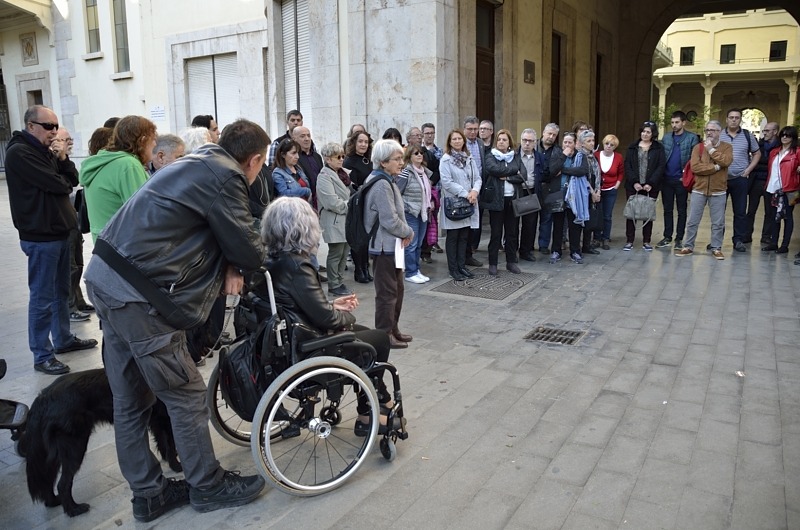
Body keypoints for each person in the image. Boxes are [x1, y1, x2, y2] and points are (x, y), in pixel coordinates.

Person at [83, 119, 269, 521]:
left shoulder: (198, 161)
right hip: (137, 296)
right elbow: (248, 246)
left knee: (130, 398)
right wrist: (248, 257)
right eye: (261, 165)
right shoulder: (225, 175)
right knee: (184, 394)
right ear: (254, 160)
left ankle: (148, 494)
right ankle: (208, 485)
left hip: (106, 277)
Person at [260, 197, 399, 434]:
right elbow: (328, 320)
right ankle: (368, 414)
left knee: (365, 335)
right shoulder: (298, 266)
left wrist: (332, 304)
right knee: (377, 340)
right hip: (306, 346)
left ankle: (380, 400)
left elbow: (296, 303)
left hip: (291, 336)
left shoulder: (273, 261)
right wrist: (344, 319)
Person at [6, 105, 98, 375]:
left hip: (59, 232)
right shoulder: (20, 153)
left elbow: (73, 178)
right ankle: (41, 354)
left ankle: (63, 339)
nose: (54, 132)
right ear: (31, 125)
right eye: (49, 127)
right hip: (41, 237)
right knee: (43, 297)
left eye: (56, 126)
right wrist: (57, 164)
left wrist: (62, 156)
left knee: (61, 293)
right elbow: (59, 185)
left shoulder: (45, 152)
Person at [364, 139, 414, 349]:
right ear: (383, 162)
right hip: (383, 247)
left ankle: (393, 329)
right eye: (397, 159)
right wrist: (408, 231)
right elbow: (389, 220)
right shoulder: (381, 184)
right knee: (387, 293)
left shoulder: (387, 179)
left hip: (392, 245)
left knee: (397, 289)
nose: (401, 162)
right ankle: (384, 335)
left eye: (401, 158)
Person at [79, 115, 157, 242]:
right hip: (123, 243)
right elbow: (142, 214)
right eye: (153, 139)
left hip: (104, 242)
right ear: (143, 140)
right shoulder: (128, 164)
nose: (155, 144)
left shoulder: (103, 161)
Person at [676, 120, 733, 259]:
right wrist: (715, 167)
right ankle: (688, 246)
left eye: (713, 130)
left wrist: (711, 150)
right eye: (707, 130)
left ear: (719, 132)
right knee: (692, 220)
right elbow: (695, 168)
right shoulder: (698, 148)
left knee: (718, 222)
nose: (709, 132)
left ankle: (716, 248)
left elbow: (726, 161)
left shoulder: (727, 147)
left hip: (718, 190)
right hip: (699, 189)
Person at [56, 127, 93, 322]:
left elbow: (74, 179)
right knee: (69, 266)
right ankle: (70, 306)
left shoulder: (65, 161)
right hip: (61, 221)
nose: (70, 142)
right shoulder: (51, 161)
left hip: (72, 218)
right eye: (65, 139)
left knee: (77, 263)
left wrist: (64, 159)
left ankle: (78, 300)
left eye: (70, 139)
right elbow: (63, 185)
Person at [480, 129, 525, 275]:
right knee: (496, 233)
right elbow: (493, 169)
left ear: (509, 143)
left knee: (512, 233)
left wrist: (508, 178)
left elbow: (522, 174)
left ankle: (511, 262)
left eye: (504, 140)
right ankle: (493, 263)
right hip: (496, 201)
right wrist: (512, 172)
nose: (501, 142)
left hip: (513, 200)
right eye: (499, 139)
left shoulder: (516, 157)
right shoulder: (490, 156)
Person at [439, 129, 482, 280]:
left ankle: (462, 266)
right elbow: (447, 182)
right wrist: (466, 193)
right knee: (453, 237)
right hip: (454, 203)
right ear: (449, 142)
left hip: (469, 202)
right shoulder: (446, 159)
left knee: (464, 236)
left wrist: (475, 191)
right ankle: (453, 269)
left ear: (463, 141)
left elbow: (477, 178)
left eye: (459, 138)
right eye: (454, 139)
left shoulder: (469, 158)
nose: (457, 141)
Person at [657, 111, 700, 250]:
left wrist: (687, 176)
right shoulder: (667, 137)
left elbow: (695, 159)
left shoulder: (692, 138)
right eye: (673, 123)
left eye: (677, 122)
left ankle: (679, 238)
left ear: (683, 123)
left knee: (682, 210)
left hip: (682, 180)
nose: (674, 125)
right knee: (667, 209)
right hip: (667, 179)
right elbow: (662, 156)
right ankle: (667, 236)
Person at [316, 142, 353, 295]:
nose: (341, 159)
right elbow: (331, 202)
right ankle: (333, 284)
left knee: (344, 252)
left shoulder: (342, 174)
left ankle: (340, 281)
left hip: (344, 219)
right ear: (327, 159)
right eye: (337, 156)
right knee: (336, 252)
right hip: (334, 219)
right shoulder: (324, 176)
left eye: (343, 156)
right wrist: (351, 205)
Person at [623, 121, 665, 251]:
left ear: (653, 134)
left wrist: (650, 183)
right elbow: (627, 165)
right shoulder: (632, 147)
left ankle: (646, 241)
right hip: (633, 185)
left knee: (648, 213)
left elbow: (661, 166)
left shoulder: (658, 148)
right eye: (643, 131)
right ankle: (629, 240)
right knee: (631, 213)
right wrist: (634, 181)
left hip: (650, 186)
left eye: (648, 132)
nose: (645, 134)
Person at [547, 132, 589, 264]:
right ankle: (556, 251)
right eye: (565, 142)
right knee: (558, 225)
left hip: (574, 196)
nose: (567, 145)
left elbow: (582, 170)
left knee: (574, 225)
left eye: (570, 142)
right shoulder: (557, 155)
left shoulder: (580, 156)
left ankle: (575, 251)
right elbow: (552, 170)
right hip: (559, 194)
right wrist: (564, 156)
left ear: (575, 143)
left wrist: (564, 170)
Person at [722, 108, 761, 252]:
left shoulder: (747, 135)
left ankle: (738, 240)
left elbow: (757, 153)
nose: (733, 120)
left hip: (740, 179)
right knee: (719, 211)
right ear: (726, 119)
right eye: (731, 117)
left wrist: (748, 170)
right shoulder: (719, 135)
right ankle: (717, 240)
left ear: (740, 120)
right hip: (722, 180)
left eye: (736, 117)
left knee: (740, 211)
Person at [396, 145, 433, 284]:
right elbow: (397, 192)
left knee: (418, 244)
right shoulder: (406, 172)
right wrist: (404, 208)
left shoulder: (424, 172)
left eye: (421, 153)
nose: (419, 155)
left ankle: (416, 270)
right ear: (409, 156)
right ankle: (410, 272)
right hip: (411, 212)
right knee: (412, 243)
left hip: (423, 211)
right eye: (415, 153)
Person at [762, 126, 800, 254]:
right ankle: (773, 242)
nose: (784, 137)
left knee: (787, 217)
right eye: (783, 135)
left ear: (793, 137)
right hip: (772, 188)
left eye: (788, 135)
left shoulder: (797, 152)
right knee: (773, 216)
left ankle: (784, 245)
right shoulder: (774, 152)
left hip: (791, 189)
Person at [343, 130, 374, 284]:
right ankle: (358, 270)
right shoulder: (348, 161)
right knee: (358, 239)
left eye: (366, 142)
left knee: (366, 238)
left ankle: (365, 268)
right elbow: (351, 185)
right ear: (354, 143)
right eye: (360, 141)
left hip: (369, 203)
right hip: (357, 203)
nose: (363, 144)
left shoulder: (369, 160)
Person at [748, 122, 780, 244]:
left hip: (771, 182)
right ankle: (747, 235)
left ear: (775, 132)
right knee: (751, 210)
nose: (764, 133)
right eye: (764, 130)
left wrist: (759, 162)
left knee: (770, 211)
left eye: (767, 130)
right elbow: (754, 162)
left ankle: (766, 236)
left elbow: (772, 165)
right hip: (755, 181)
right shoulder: (758, 144)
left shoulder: (780, 146)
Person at [517, 128, 545, 261]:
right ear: (520, 141)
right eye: (524, 140)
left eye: (530, 141)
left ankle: (526, 251)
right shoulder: (514, 155)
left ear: (535, 142)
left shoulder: (539, 157)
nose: (527, 143)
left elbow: (545, 173)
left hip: (532, 193)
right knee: (513, 224)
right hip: (516, 192)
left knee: (530, 224)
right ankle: (511, 250)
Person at [594, 134, 624, 249]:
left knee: (607, 215)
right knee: (597, 214)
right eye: (607, 144)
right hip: (598, 190)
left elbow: (621, 173)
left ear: (615, 147)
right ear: (603, 143)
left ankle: (605, 238)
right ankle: (596, 238)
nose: (609, 146)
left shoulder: (618, 157)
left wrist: (617, 185)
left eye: (612, 145)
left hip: (611, 189)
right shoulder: (596, 155)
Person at [536, 123, 562, 253]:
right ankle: (527, 245)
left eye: (554, 135)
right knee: (531, 218)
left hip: (550, 187)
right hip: (534, 186)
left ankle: (543, 245)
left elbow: (557, 169)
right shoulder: (534, 146)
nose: (551, 137)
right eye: (549, 133)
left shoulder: (558, 151)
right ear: (543, 132)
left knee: (547, 217)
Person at [463, 116, 485, 266]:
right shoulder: (459, 143)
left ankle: (470, 252)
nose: (473, 132)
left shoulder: (480, 143)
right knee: (463, 224)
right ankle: (462, 255)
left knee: (475, 223)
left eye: (475, 129)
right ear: (464, 129)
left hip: (478, 188)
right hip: (463, 191)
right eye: (470, 129)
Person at [293, 126, 323, 208]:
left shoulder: (317, 156)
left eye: (308, 135)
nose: (307, 139)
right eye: (302, 136)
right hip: (304, 201)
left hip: (320, 199)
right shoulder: (294, 158)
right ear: (294, 139)